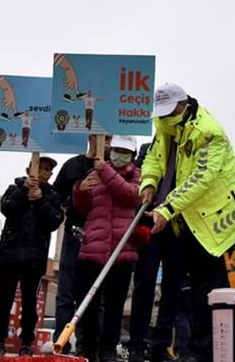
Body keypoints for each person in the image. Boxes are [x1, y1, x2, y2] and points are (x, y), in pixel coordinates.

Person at [141, 83, 235, 362]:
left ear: (184, 105)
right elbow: (154, 159)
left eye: (169, 112)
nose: (165, 118)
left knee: (210, 288)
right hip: (186, 219)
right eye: (161, 114)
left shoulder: (209, 132)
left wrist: (166, 208)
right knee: (186, 290)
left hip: (217, 221)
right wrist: (148, 183)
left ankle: (207, 352)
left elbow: (201, 178)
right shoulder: (165, 125)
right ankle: (192, 349)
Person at [73, 136, 143, 361]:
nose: (119, 154)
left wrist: (105, 170)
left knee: (114, 306)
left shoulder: (138, 175)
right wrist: (80, 190)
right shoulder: (96, 172)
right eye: (116, 149)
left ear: (132, 155)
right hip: (92, 250)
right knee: (88, 305)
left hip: (121, 252)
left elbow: (131, 196)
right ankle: (87, 348)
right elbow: (82, 208)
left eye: (125, 151)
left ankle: (108, 349)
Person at [0, 157, 63, 359]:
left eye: (48, 170)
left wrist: (40, 200)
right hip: (10, 255)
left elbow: (55, 221)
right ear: (29, 169)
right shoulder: (14, 188)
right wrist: (24, 191)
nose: (43, 173)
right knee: (4, 302)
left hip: (35, 258)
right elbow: (8, 209)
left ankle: (26, 343)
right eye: (40, 168)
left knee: (30, 303)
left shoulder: (52, 196)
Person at [52, 135, 111, 355]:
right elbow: (55, 197)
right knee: (66, 294)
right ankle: (62, 345)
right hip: (73, 238)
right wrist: (75, 194)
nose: (107, 142)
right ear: (91, 137)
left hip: (102, 240)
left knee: (97, 296)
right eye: (103, 137)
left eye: (110, 138)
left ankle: (88, 348)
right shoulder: (72, 165)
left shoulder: (111, 167)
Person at [126, 143, 185, 362]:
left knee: (172, 287)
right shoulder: (149, 148)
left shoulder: (188, 149)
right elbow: (139, 173)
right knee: (145, 283)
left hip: (177, 225)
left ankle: (160, 344)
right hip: (149, 223)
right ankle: (137, 344)